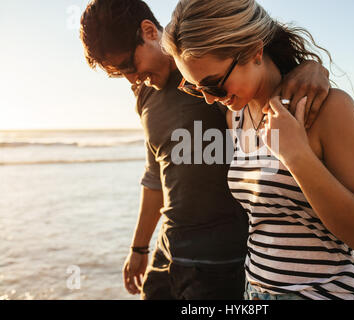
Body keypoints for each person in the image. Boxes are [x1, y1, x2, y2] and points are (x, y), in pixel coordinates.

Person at [79, 0, 331, 299]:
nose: (132, 78)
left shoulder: (218, 82)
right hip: (169, 251)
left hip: (223, 261)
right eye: (120, 74)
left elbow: (259, 63)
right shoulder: (144, 94)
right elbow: (155, 174)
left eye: (129, 66)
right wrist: (138, 246)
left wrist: (312, 67)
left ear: (148, 31)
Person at [162, 0, 354, 300]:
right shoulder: (236, 115)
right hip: (255, 292)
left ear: (255, 50)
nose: (208, 100)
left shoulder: (329, 109)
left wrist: (297, 156)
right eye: (195, 88)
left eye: (213, 85)